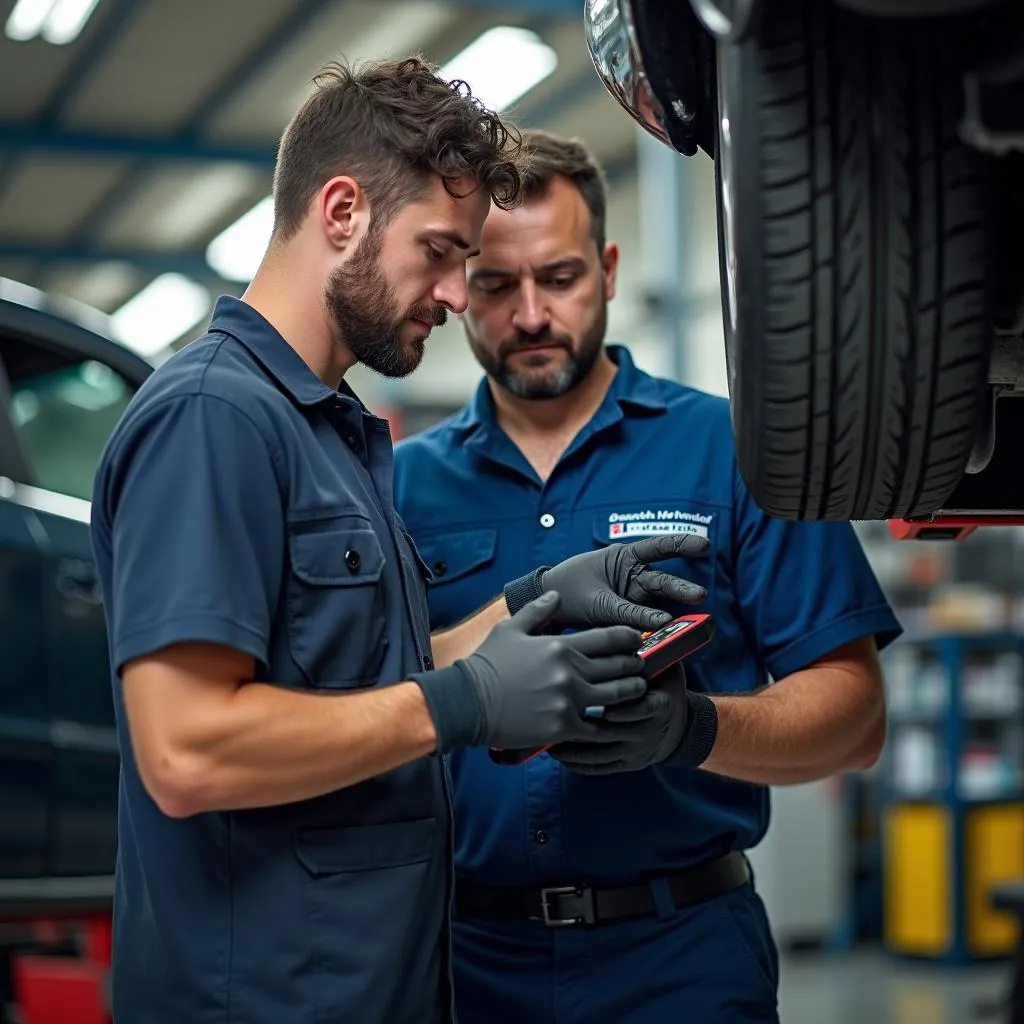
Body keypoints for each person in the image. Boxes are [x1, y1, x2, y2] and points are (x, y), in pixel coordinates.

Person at [88, 63, 710, 1024]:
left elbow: (359, 681)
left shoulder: (327, 429)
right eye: (441, 252)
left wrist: (530, 602)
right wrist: (466, 702)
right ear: (341, 211)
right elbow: (188, 750)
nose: (461, 295)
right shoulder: (214, 418)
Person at [393, 129, 904, 1023]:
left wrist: (692, 727)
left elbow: (854, 717)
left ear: (610, 268)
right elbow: (359, 696)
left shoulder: (735, 451)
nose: (531, 316)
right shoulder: (401, 488)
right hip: (464, 966)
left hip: (683, 961)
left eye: (559, 278)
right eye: (495, 284)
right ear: (456, 283)